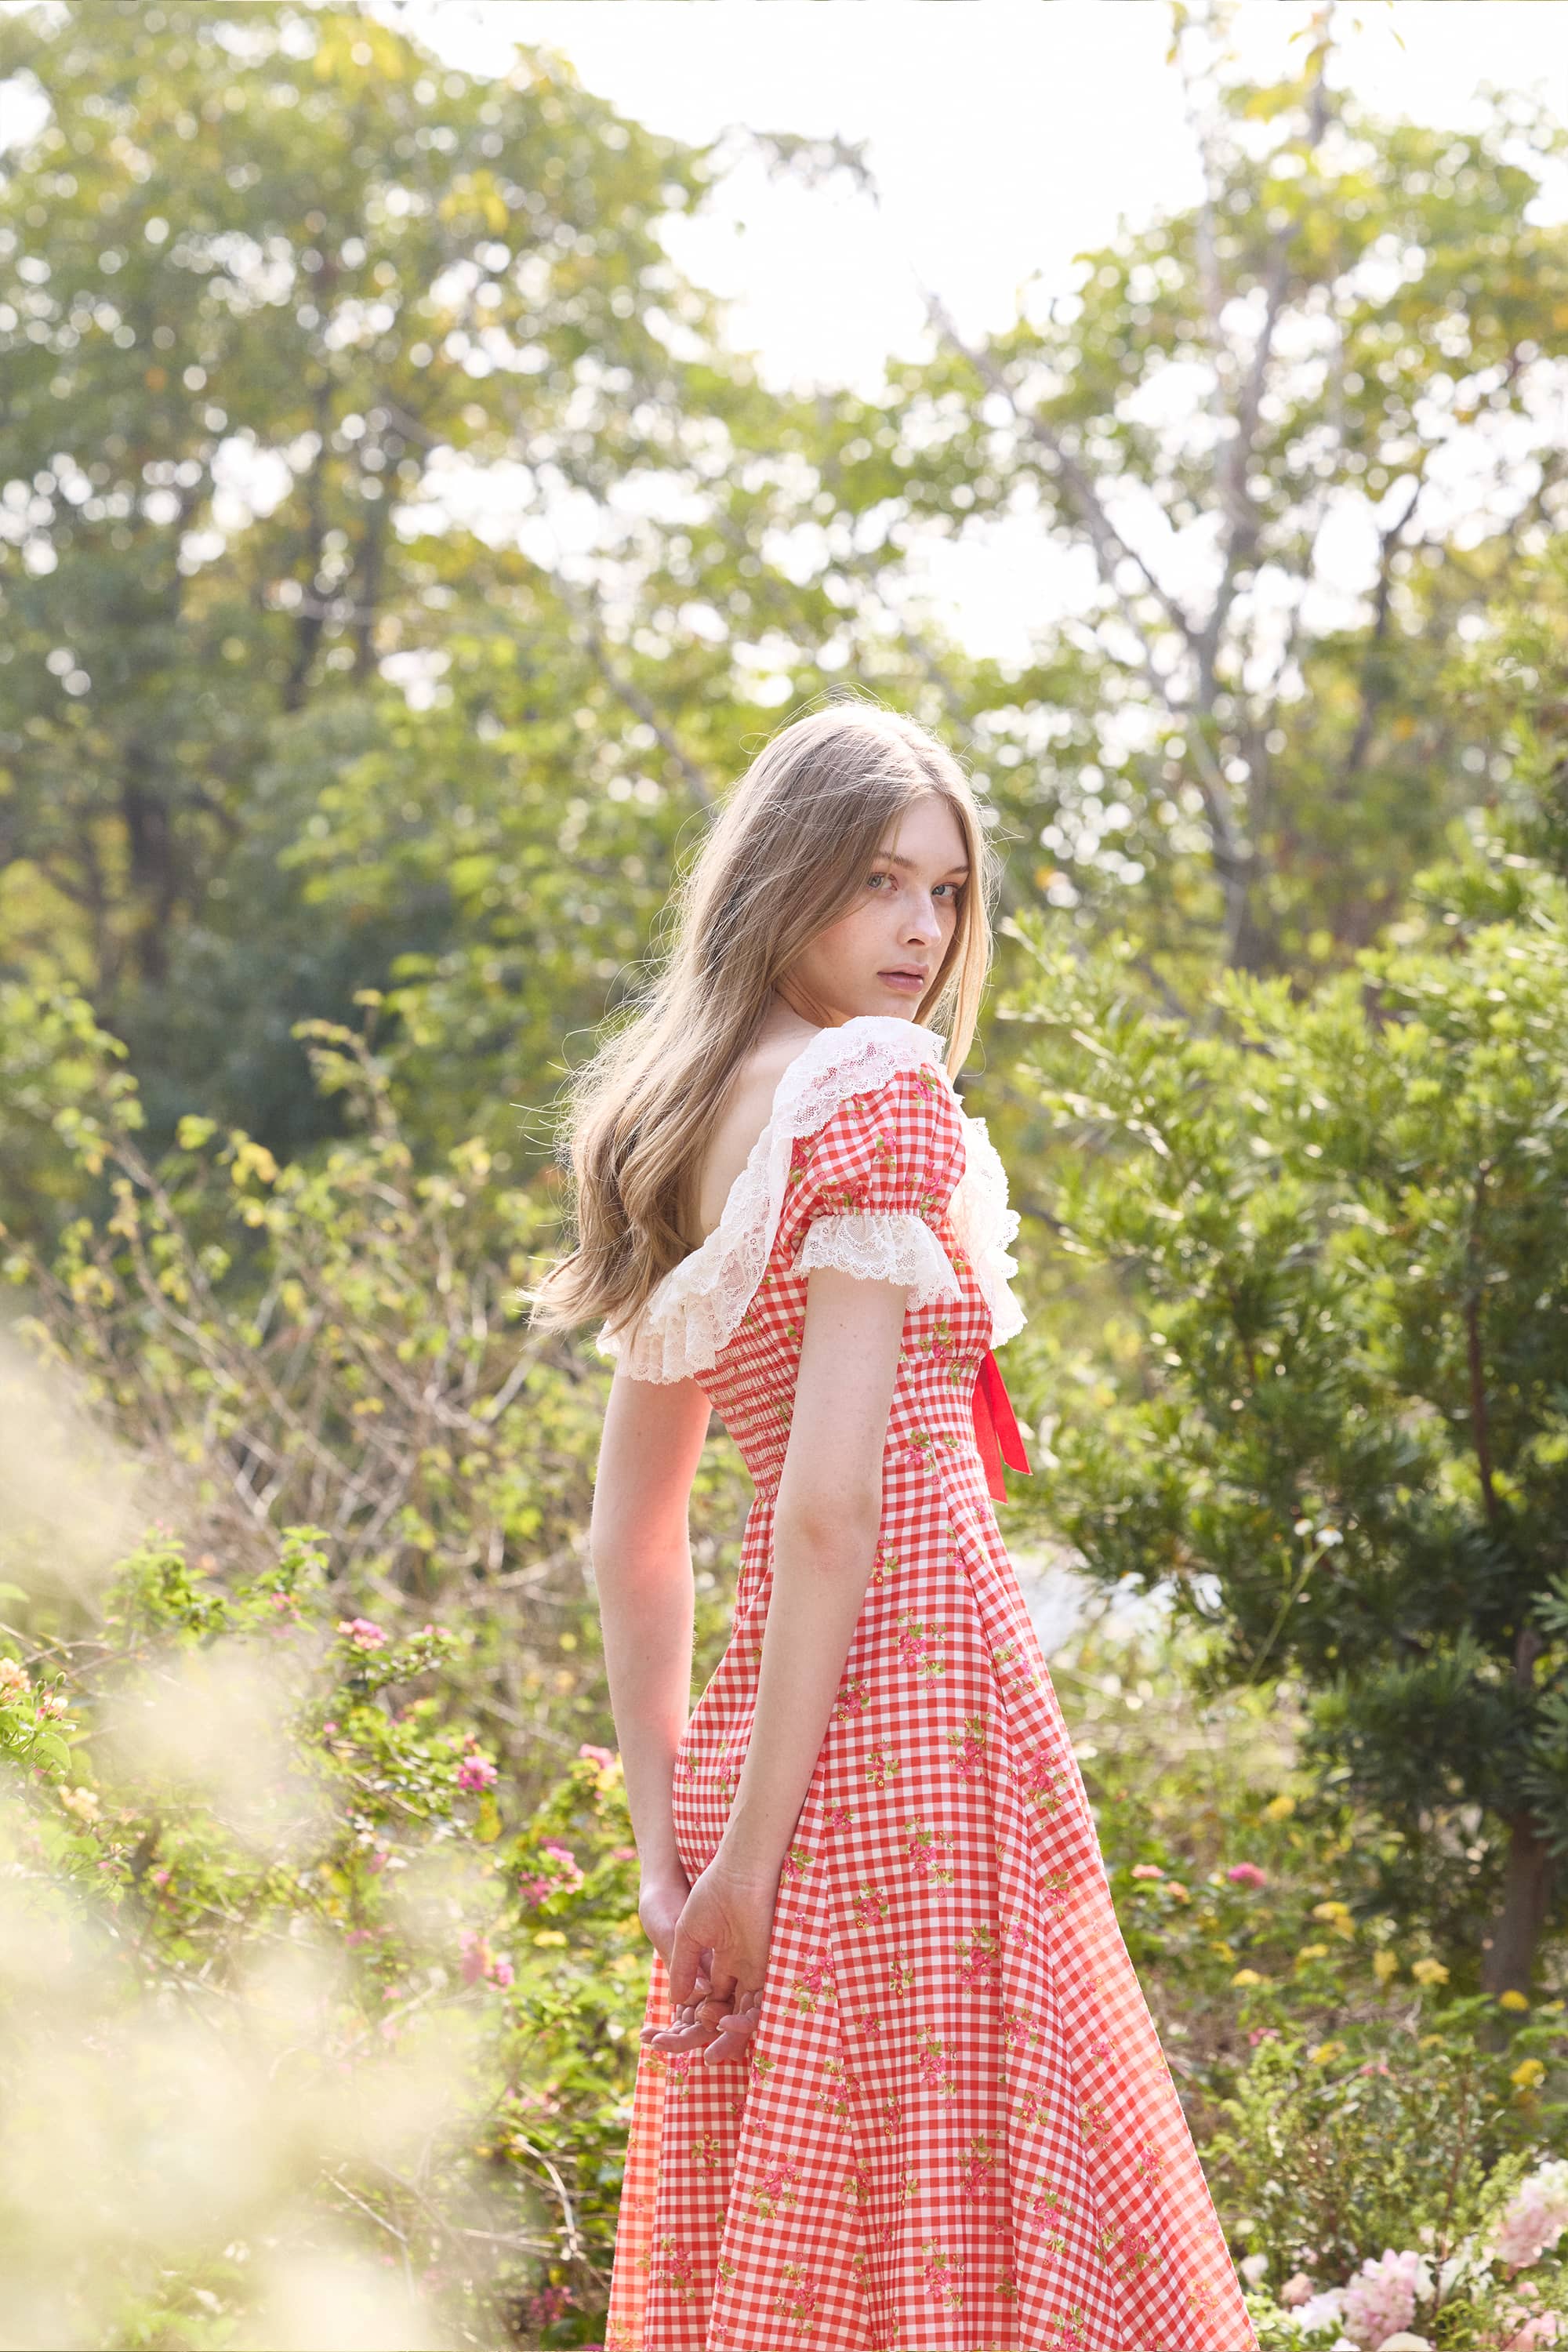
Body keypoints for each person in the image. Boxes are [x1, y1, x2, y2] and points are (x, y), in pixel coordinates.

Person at [526, 701, 1258, 2352]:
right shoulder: (868, 1090)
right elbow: (830, 1505)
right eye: (878, 884)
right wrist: (749, 1858)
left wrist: (680, 1852)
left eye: (945, 890)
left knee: (815, 2232)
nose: (922, 931)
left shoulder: (678, 1111)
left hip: (750, 1747)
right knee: (986, 2214)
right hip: (918, 1716)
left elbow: (630, 1542)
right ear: (784, 882)